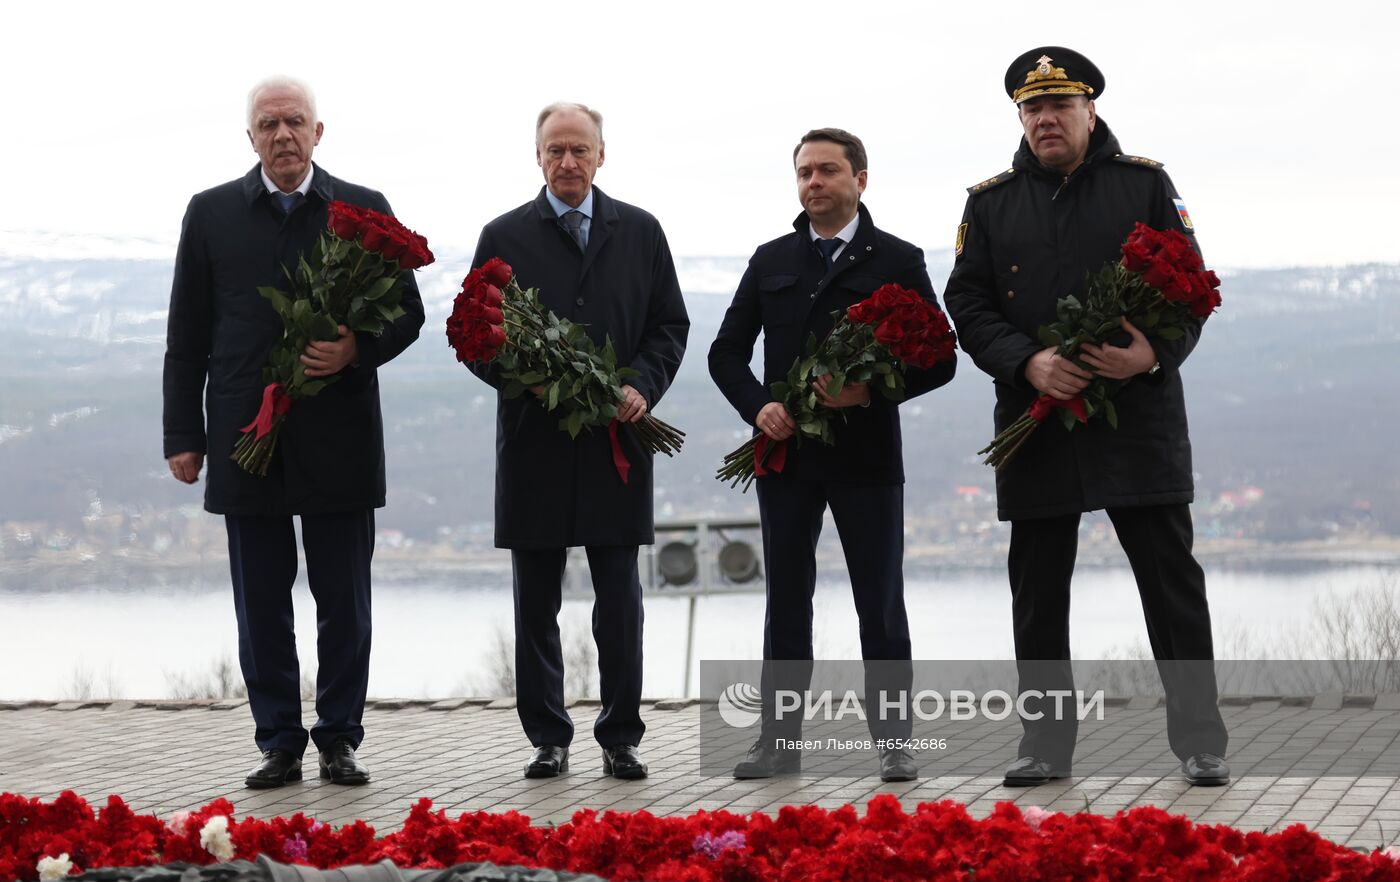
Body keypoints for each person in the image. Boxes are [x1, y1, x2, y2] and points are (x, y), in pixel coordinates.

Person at [943, 47, 1229, 787]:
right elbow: (967, 305)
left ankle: (1202, 744)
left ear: (1089, 111)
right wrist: (1025, 362)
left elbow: (1192, 287)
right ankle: (1045, 747)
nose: (1044, 119)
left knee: (1171, 585)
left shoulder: (1144, 184)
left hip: (1139, 418)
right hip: (1036, 420)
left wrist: (1154, 356)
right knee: (1038, 592)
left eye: (1059, 106)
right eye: (1031, 109)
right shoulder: (990, 203)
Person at [163, 76, 424, 788]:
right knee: (261, 606)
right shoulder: (211, 213)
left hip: (339, 435)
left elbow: (407, 314)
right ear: (250, 137)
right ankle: (279, 741)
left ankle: (339, 738)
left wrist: (353, 350)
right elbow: (186, 334)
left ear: (318, 132)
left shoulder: (363, 210)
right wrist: (184, 434)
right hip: (247, 437)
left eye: (295, 122)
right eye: (268, 123)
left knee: (345, 601)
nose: (283, 134)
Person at [708, 128, 957, 782]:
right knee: (786, 604)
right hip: (786, 456)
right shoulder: (771, 259)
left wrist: (867, 390)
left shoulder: (897, 259)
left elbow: (940, 360)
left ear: (860, 180)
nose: (813, 182)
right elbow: (725, 353)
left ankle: (896, 744)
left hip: (867, 459)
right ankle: (777, 744)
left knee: (880, 604)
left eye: (826, 171)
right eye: (804, 173)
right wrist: (758, 406)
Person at [467, 102, 689, 780]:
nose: (568, 161)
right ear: (537, 156)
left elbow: (668, 324)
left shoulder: (642, 231)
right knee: (536, 602)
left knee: (619, 601)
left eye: (579, 150)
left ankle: (621, 736)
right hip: (535, 444)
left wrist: (642, 386)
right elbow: (475, 336)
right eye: (555, 150)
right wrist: (527, 379)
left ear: (601, 155)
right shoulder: (503, 235)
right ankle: (548, 737)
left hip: (617, 445)